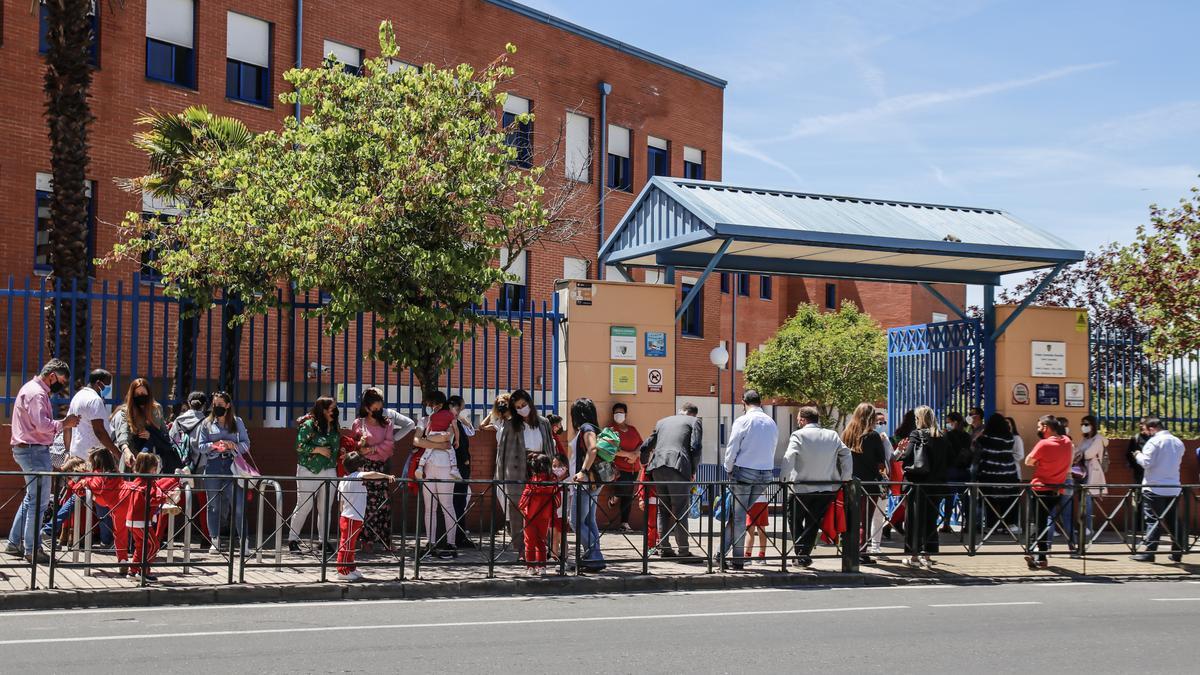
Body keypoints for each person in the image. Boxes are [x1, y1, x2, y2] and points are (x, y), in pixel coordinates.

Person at [6, 359, 80, 563]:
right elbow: (42, 425)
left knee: (32, 499)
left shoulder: (31, 389)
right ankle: (32, 549)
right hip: (34, 451)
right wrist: (65, 423)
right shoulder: (37, 393)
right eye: (62, 381)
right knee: (38, 501)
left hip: (30, 450)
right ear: (52, 376)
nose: (62, 386)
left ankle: (14, 543)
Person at [782, 406, 851, 568]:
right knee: (813, 523)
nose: (798, 422)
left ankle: (801, 554)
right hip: (826, 487)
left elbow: (789, 456)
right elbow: (846, 453)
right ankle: (803, 555)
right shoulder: (832, 435)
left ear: (803, 420)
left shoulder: (798, 435)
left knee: (794, 518)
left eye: (798, 419)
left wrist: (784, 479)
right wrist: (845, 478)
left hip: (801, 488)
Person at [721, 391, 779, 570]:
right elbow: (773, 447)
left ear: (743, 402)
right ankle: (719, 554)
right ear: (760, 402)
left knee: (738, 517)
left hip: (744, 471)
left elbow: (732, 448)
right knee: (738, 515)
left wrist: (728, 469)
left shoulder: (743, 420)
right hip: (765, 473)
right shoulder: (771, 422)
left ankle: (737, 560)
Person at [638, 402, 703, 559]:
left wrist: (644, 463)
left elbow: (646, 446)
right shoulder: (695, 421)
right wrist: (692, 470)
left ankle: (664, 548)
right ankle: (683, 551)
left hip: (658, 466)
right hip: (678, 466)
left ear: (681, 411)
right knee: (680, 510)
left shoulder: (662, 422)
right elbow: (695, 448)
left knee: (663, 509)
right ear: (693, 414)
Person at [495, 389, 555, 557]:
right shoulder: (510, 424)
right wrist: (500, 477)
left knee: (541, 508)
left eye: (524, 404)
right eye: (518, 407)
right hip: (517, 468)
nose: (522, 409)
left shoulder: (544, 422)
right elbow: (502, 452)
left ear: (530, 403)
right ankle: (522, 549)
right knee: (517, 509)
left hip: (540, 467)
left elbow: (550, 447)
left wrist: (551, 468)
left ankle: (541, 546)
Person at [197, 392, 250, 555]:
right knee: (213, 505)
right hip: (213, 466)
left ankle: (244, 542)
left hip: (232, 465)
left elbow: (246, 444)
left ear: (227, 405)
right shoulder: (206, 423)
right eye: (215, 405)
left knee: (238, 505)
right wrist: (214, 445)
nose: (217, 407)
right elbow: (200, 446)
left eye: (220, 404)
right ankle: (215, 540)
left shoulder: (237, 422)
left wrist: (233, 445)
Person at [287, 396, 341, 553]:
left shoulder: (334, 426)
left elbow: (336, 446)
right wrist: (318, 449)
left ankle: (323, 541)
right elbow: (299, 445)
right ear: (323, 410)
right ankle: (292, 540)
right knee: (304, 505)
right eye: (332, 408)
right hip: (309, 469)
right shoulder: (309, 425)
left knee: (325, 508)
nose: (335, 411)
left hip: (329, 469)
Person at [899, 406, 949, 568]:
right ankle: (927, 556)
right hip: (936, 484)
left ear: (919, 419)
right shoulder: (942, 436)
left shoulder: (916, 434)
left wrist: (901, 452)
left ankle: (913, 557)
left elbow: (908, 456)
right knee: (931, 520)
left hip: (917, 483)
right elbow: (950, 459)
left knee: (914, 520)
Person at [335, 451, 397, 582]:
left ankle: (350, 567)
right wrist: (386, 476)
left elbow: (340, 504)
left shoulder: (343, 480)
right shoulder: (357, 476)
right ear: (359, 467)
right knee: (346, 545)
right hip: (351, 517)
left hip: (349, 516)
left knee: (350, 545)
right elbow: (372, 474)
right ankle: (342, 570)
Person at [1131, 417, 1186, 563]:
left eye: (1146, 430)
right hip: (1173, 487)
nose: (1145, 433)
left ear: (1152, 428)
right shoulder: (1178, 442)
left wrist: (1138, 455)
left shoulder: (1154, 442)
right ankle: (1177, 552)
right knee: (1173, 520)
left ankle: (1150, 552)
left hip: (1154, 487)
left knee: (1153, 520)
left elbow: (1146, 462)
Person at [120, 452, 181, 581]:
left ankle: (133, 571)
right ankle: (144, 571)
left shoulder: (137, 480)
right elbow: (151, 499)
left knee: (140, 546)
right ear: (152, 468)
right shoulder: (148, 482)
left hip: (132, 520)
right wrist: (166, 498)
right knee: (154, 545)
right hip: (141, 520)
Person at [414, 391, 460, 558]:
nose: (430, 407)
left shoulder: (448, 417)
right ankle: (430, 542)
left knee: (447, 505)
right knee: (429, 507)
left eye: (432, 404)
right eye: (428, 404)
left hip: (446, 466)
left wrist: (428, 441)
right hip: (428, 466)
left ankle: (451, 543)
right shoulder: (424, 420)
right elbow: (416, 440)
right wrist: (437, 443)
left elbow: (447, 437)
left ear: (440, 404)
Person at [1024, 415, 1074, 570]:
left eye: (1039, 427)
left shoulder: (1043, 444)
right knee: (1046, 522)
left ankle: (1037, 554)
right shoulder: (1067, 442)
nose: (1038, 429)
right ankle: (1039, 555)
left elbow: (1028, 461)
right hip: (1057, 489)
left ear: (1046, 427)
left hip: (1039, 488)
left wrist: (1040, 462)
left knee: (1037, 522)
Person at [351, 389, 396, 553]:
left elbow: (390, 445)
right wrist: (360, 445)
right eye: (375, 408)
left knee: (383, 504)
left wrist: (371, 449)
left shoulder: (387, 423)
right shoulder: (358, 423)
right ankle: (366, 539)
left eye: (380, 408)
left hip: (380, 467)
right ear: (367, 408)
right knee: (366, 504)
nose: (378, 411)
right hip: (364, 468)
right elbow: (353, 446)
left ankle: (385, 539)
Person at [842, 403, 887, 563]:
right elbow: (881, 462)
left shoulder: (846, 434)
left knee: (851, 518)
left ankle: (849, 550)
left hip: (850, 482)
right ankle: (862, 552)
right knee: (865, 520)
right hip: (869, 483)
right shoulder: (873, 436)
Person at [71, 447, 127, 572]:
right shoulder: (115, 472)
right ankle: (137, 563)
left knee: (120, 534)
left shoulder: (98, 473)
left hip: (117, 505)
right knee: (133, 532)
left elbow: (97, 487)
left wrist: (85, 482)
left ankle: (124, 560)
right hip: (125, 499)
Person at [570, 398, 605, 572]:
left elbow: (592, 449)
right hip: (595, 481)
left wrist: (583, 471)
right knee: (589, 521)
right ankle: (592, 557)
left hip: (586, 481)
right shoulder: (595, 428)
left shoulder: (586, 428)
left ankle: (595, 556)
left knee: (575, 521)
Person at [112, 378, 177, 473]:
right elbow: (123, 433)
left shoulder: (156, 409)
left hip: (151, 457)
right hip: (132, 455)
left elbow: (164, 434)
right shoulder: (126, 411)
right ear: (132, 396)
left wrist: (151, 435)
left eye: (143, 393)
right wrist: (126, 450)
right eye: (137, 394)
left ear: (148, 394)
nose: (140, 397)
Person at [169, 391, 210, 541]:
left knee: (175, 500)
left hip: (182, 466)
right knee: (204, 503)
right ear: (204, 405)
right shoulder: (207, 422)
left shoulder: (179, 420)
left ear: (188, 403)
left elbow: (172, 440)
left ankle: (164, 536)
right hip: (202, 466)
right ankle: (206, 538)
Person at [974, 413, 1020, 534]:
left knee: (990, 501)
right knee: (1008, 501)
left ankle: (992, 526)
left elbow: (974, 443)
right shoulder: (1009, 437)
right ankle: (1008, 525)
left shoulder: (986, 438)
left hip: (989, 474)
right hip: (1008, 473)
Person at [64, 369, 118, 461]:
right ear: (99, 383)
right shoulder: (95, 400)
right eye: (107, 385)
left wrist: (67, 451)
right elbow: (99, 431)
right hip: (91, 457)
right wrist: (117, 453)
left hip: (76, 455)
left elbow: (67, 426)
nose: (108, 388)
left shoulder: (77, 397)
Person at [606, 402, 643, 533]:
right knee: (623, 489)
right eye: (616, 413)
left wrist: (636, 454)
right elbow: (610, 449)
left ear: (626, 415)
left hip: (634, 468)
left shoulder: (632, 429)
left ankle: (624, 523)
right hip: (618, 468)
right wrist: (628, 454)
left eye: (621, 412)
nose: (618, 415)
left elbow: (641, 444)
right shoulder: (610, 430)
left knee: (628, 495)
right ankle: (613, 498)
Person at [519, 453, 557, 575]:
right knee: (541, 541)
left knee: (529, 542)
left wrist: (521, 509)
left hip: (530, 516)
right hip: (545, 516)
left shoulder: (532, 483)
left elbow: (522, 503)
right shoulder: (552, 482)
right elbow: (558, 501)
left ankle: (530, 567)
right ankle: (542, 567)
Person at [447, 395, 477, 549]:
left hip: (461, 468)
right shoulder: (450, 423)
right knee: (457, 502)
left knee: (460, 501)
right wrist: (464, 460)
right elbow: (456, 446)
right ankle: (457, 537)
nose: (462, 411)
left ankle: (459, 535)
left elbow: (471, 432)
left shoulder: (458, 422)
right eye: (461, 408)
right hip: (457, 469)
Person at [940, 411, 972, 533]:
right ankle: (968, 524)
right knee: (965, 498)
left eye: (949, 422)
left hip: (951, 469)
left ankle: (946, 523)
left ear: (955, 422)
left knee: (949, 497)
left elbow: (945, 452)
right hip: (964, 470)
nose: (947, 424)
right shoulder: (967, 436)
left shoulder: (948, 435)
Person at [1078, 415, 1108, 538]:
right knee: (1082, 500)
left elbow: (1089, 454)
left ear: (1093, 425)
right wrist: (1079, 453)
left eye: (1086, 424)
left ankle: (1088, 527)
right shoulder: (1085, 439)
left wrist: (1080, 454)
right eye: (1082, 424)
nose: (1083, 426)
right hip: (1082, 471)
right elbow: (1077, 451)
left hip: (1092, 471)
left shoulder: (1098, 439)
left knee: (1087, 499)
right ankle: (1082, 525)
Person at [548, 453, 570, 562]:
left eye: (560, 465)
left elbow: (572, 498)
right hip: (552, 513)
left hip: (563, 514)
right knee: (553, 535)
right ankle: (554, 555)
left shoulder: (569, 481)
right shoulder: (551, 481)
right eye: (554, 466)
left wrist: (569, 515)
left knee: (562, 537)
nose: (556, 468)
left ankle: (564, 557)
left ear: (566, 466)